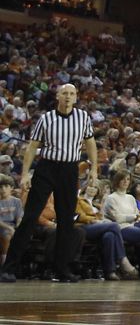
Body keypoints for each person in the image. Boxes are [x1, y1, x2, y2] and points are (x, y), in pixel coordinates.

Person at [0, 84, 97, 283]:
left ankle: (61, 269)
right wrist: (25, 174)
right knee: (30, 217)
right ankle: (9, 268)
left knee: (66, 221)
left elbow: (91, 143)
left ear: (76, 97)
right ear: (58, 96)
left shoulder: (83, 118)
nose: (68, 97)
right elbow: (32, 146)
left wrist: (95, 168)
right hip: (47, 168)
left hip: (70, 170)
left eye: (72, 94)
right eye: (65, 93)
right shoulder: (46, 118)